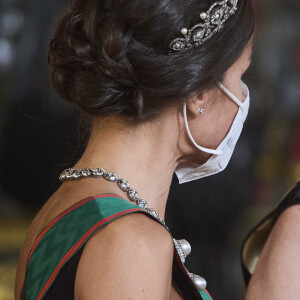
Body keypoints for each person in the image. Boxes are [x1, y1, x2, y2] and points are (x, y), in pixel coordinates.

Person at [14, 0, 256, 299]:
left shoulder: (61, 211)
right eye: (240, 76)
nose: (243, 97)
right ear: (200, 94)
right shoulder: (130, 242)